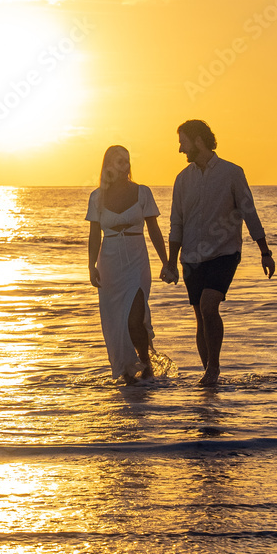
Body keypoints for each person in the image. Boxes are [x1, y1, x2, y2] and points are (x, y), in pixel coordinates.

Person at [161, 120, 274, 386]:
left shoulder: (232, 173)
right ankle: (208, 378)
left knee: (209, 305)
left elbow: (249, 212)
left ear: (198, 141)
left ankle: (214, 368)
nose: (180, 149)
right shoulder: (182, 179)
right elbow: (176, 222)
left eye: (183, 142)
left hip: (224, 253)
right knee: (200, 315)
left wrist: (264, 251)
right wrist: (171, 262)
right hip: (190, 256)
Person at [87, 145, 170, 384]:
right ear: (109, 165)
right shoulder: (97, 197)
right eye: (118, 161)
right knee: (115, 320)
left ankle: (145, 363)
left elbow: (154, 230)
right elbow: (94, 235)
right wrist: (91, 266)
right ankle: (125, 370)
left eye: (127, 160)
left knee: (135, 315)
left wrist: (166, 262)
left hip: (137, 260)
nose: (124, 164)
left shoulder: (143, 193)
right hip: (109, 263)